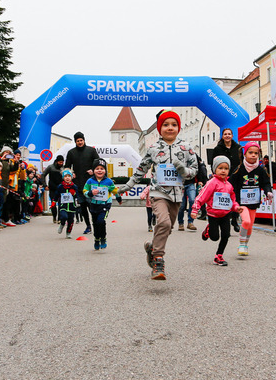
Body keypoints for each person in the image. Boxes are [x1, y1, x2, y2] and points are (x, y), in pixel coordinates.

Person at [122, 110, 198, 280]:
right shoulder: (153, 148)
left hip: (177, 194)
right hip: (158, 192)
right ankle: (158, 261)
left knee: (167, 227)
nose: (170, 128)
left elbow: (195, 170)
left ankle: (152, 248)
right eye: (165, 125)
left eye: (174, 125)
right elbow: (142, 168)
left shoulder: (187, 148)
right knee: (162, 222)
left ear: (179, 128)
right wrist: (129, 185)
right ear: (159, 128)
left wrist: (184, 171)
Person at [190, 155, 241, 266]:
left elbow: (232, 200)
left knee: (226, 235)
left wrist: (236, 207)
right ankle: (208, 230)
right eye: (220, 168)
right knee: (214, 237)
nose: (223, 171)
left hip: (226, 214)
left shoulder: (229, 185)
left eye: (226, 168)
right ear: (214, 169)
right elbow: (201, 197)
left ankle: (219, 256)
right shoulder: (212, 183)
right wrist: (195, 209)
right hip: (213, 214)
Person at [230, 141, 273, 257]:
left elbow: (265, 183)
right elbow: (230, 183)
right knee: (246, 221)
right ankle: (241, 245)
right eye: (250, 152)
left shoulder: (260, 170)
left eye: (256, 153)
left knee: (250, 225)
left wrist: (268, 191)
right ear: (245, 154)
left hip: (254, 202)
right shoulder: (239, 169)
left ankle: (245, 244)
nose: (253, 155)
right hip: (241, 202)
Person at [65, 132, 101, 235]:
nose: (80, 142)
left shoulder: (91, 150)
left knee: (92, 206)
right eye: (77, 141)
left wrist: (93, 170)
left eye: (81, 140)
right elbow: (67, 167)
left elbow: (99, 163)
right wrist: (71, 173)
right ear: (75, 142)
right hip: (78, 184)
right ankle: (88, 226)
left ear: (84, 140)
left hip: (90, 184)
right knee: (83, 207)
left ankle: (96, 225)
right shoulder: (71, 152)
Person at [83, 159, 121, 250]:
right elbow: (84, 191)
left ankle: (103, 237)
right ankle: (96, 239)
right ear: (93, 171)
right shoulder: (90, 181)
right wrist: (91, 193)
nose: (99, 170)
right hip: (94, 205)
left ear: (105, 171)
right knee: (95, 223)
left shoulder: (108, 181)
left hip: (105, 205)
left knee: (101, 221)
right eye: (97, 168)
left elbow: (114, 190)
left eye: (102, 169)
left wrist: (118, 197)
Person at [211, 128, 244, 231]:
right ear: (222, 136)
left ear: (232, 136)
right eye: (225, 134)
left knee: (236, 198)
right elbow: (213, 163)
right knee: (223, 198)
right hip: (222, 177)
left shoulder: (238, 147)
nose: (227, 136)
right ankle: (223, 221)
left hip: (236, 176)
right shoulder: (218, 149)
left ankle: (234, 220)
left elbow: (241, 161)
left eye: (229, 134)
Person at [53, 169, 80, 238]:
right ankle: (62, 224)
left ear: (71, 177)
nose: (67, 178)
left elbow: (77, 196)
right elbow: (56, 195)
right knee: (64, 216)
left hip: (71, 206)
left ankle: (68, 233)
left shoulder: (74, 186)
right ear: (63, 178)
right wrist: (54, 202)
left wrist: (74, 194)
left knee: (71, 221)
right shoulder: (60, 186)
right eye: (65, 176)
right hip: (63, 206)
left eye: (69, 176)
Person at [44, 154, 65, 223]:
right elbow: (43, 175)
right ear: (56, 161)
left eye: (62, 162)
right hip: (52, 188)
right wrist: (45, 185)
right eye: (60, 162)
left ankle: (59, 218)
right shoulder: (51, 167)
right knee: (53, 204)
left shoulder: (63, 168)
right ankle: (54, 216)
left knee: (60, 204)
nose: (61, 163)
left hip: (61, 188)